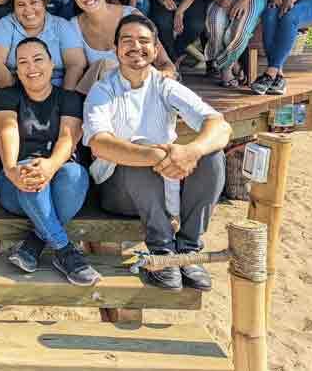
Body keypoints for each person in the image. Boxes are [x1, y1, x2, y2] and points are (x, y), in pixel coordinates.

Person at [83, 15, 231, 291]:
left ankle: (188, 249)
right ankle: (161, 251)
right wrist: (157, 156)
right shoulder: (102, 90)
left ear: (155, 50)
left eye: (144, 41)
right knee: (135, 152)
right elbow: (99, 143)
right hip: (120, 191)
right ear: (115, 48)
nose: (135, 47)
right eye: (127, 41)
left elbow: (220, 125)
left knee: (212, 156)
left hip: (167, 179)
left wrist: (191, 151)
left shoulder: (165, 86)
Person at [0, 38, 100, 285]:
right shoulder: (6, 96)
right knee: (29, 172)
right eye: (23, 62)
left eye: (38, 59)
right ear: (17, 70)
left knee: (75, 174)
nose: (31, 67)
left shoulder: (69, 99)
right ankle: (65, 252)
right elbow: (8, 130)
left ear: (52, 64)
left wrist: (50, 166)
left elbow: (68, 138)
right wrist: (11, 169)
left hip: (60, 182)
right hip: (14, 184)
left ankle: (34, 243)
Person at [68, 0, 176, 93]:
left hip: (138, 91)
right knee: (104, 66)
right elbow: (75, 68)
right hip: (100, 95)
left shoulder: (132, 16)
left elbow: (165, 63)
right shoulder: (73, 26)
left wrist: (164, 77)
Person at [0, 0, 81, 90]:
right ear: (13, 8)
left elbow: (75, 65)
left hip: (57, 89)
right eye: (21, 5)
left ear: (44, 2)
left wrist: (64, 97)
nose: (28, 10)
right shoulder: (4, 25)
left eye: (34, 2)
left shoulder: (61, 25)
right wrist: (13, 96)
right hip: (15, 89)